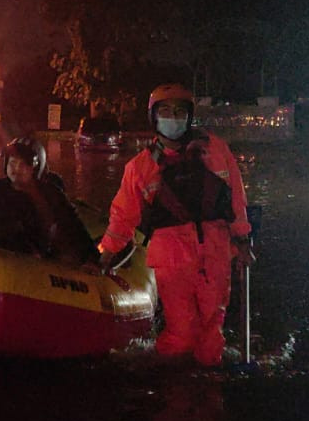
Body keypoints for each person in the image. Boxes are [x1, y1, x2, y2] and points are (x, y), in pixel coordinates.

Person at [97, 83, 253, 367]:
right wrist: (106, 255)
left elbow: (236, 200)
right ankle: (173, 393)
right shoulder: (140, 167)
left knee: (210, 338)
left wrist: (242, 240)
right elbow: (123, 216)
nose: (173, 118)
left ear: (189, 117)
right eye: (166, 112)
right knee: (181, 334)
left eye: (179, 112)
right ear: (154, 118)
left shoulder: (216, 150)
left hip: (215, 251)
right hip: (171, 256)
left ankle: (208, 395)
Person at [0, 137, 95, 264]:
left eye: (23, 165)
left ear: (35, 169)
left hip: (32, 258)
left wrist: (92, 259)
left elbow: (73, 227)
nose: (16, 169)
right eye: (13, 163)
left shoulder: (50, 194)